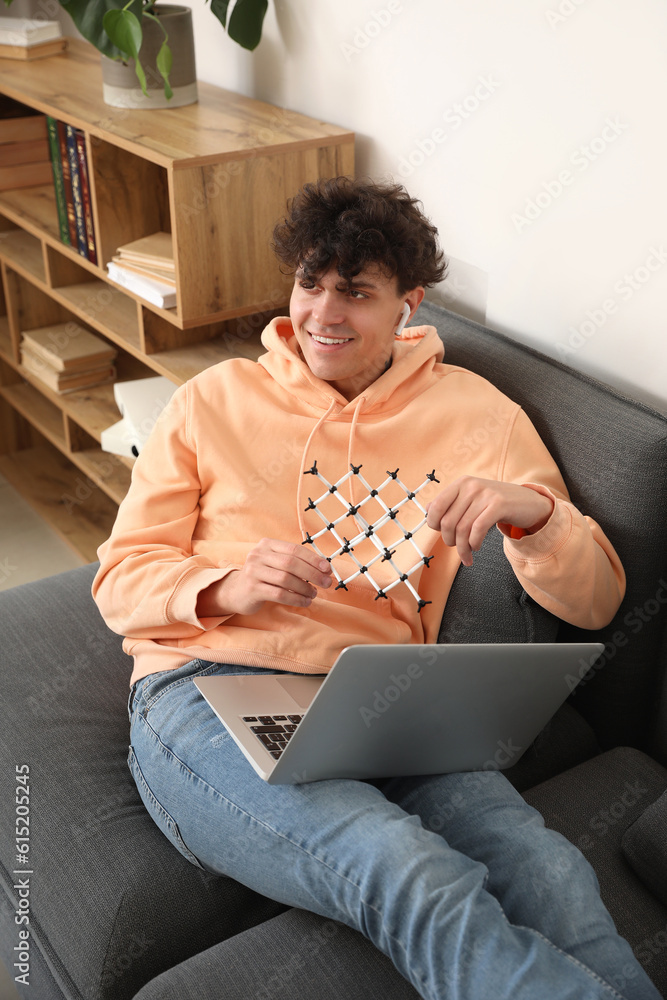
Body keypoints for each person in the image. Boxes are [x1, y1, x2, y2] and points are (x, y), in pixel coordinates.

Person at [92, 177, 659, 1000]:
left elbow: (600, 602)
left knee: (548, 870)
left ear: (407, 304)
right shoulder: (211, 402)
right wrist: (221, 586)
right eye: (309, 284)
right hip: (208, 690)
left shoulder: (478, 415)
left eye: (355, 292)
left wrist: (535, 516)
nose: (323, 312)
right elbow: (120, 579)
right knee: (408, 874)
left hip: (386, 699)